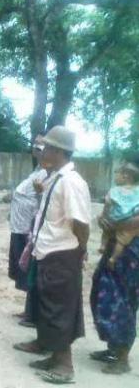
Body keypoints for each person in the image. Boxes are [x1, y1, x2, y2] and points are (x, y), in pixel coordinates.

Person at [13, 126, 90, 385]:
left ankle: (65, 365)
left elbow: (80, 223)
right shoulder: (55, 177)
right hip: (48, 250)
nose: (40, 150)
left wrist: (81, 249)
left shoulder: (71, 182)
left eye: (45, 147)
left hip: (62, 252)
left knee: (59, 309)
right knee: (48, 306)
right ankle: (54, 355)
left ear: (57, 151)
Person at [90, 154, 139, 375]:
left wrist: (116, 224)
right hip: (114, 249)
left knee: (124, 302)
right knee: (101, 293)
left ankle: (122, 358)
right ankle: (112, 348)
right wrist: (104, 221)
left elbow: (132, 222)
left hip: (132, 255)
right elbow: (106, 216)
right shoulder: (119, 193)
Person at [8, 135, 48, 327]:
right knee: (21, 267)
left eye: (41, 147)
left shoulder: (49, 173)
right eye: (35, 147)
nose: (36, 150)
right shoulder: (38, 170)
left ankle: (33, 313)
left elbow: (43, 200)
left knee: (29, 268)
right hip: (19, 225)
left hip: (29, 228)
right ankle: (28, 310)